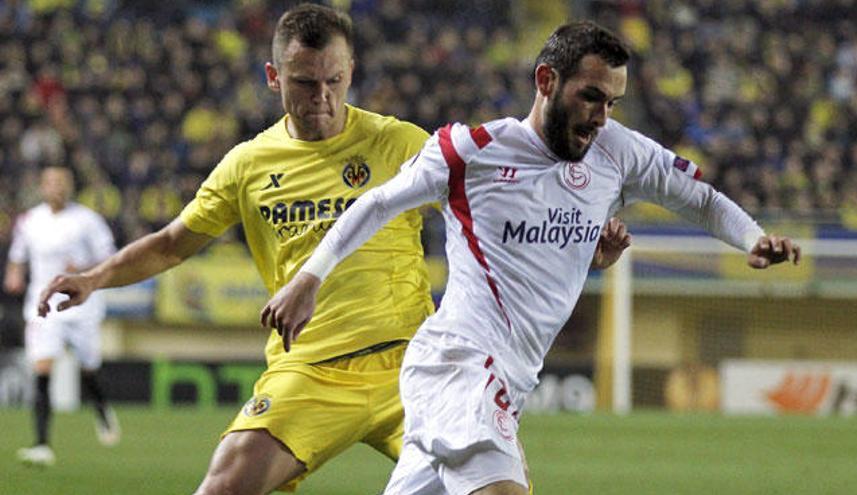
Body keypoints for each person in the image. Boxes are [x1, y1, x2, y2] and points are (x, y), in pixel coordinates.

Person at [35, 4, 628, 493]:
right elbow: (171, 244)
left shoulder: (399, 142)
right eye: (303, 82)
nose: (321, 96)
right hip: (310, 371)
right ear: (274, 79)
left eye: (333, 81)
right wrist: (93, 277)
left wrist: (575, 242)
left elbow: (502, 215)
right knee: (222, 487)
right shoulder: (247, 165)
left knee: (503, 486)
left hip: (417, 365)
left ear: (351, 72)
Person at [262, 20, 803, 495]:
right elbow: (378, 202)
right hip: (459, 365)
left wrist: (752, 239)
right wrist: (309, 277)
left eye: (612, 101)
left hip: (511, 380)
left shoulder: (617, 151)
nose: (600, 117)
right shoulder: (471, 151)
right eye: (591, 96)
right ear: (547, 81)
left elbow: (700, 199)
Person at [4, 166, 120, 467]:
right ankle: (42, 444)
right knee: (42, 369)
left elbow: (110, 256)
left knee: (89, 368)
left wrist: (82, 265)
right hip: (43, 306)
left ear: (70, 186)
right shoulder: (31, 221)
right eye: (51, 182)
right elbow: (18, 256)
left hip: (82, 306)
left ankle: (102, 409)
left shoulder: (87, 220)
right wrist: (14, 275)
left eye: (62, 182)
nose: (56, 187)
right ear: (41, 187)